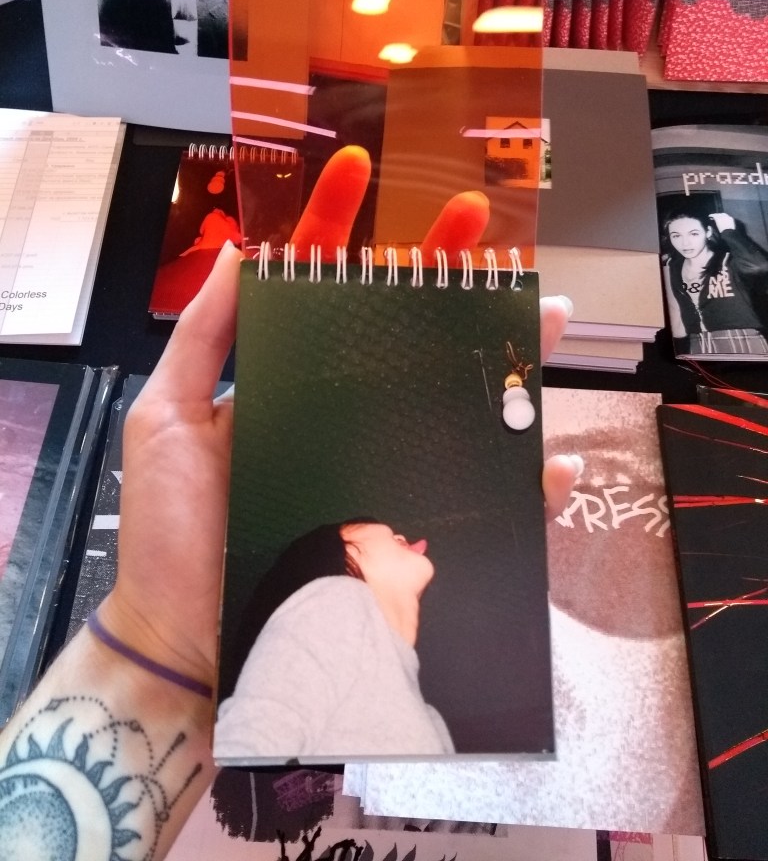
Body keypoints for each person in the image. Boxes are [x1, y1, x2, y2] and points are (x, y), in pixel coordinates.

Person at [0, 145, 580, 859]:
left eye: (383, 528)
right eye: (384, 528)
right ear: (345, 559)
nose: (402, 530)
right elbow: (259, 726)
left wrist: (156, 652)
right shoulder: (338, 607)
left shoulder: (361, 631)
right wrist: (155, 645)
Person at [215, 519, 453, 760]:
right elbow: (253, 738)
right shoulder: (339, 599)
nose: (401, 535)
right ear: (336, 554)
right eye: (390, 534)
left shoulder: (429, 716)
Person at [661, 207, 768, 355]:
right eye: (676, 236)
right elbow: (677, 320)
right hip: (696, 346)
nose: (685, 243)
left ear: (708, 232)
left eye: (694, 233)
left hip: (743, 342)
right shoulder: (671, 267)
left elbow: (760, 266)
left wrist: (729, 231)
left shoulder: (729, 262)